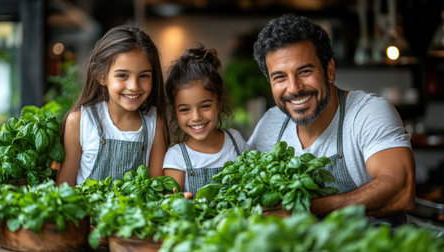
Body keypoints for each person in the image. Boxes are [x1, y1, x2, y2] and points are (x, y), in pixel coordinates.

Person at [248, 14, 415, 226]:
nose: (294, 88)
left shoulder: (367, 112)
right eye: (280, 77)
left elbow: (400, 190)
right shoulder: (271, 124)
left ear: (329, 70)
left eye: (304, 71)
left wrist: (304, 209)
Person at [56, 24, 168, 186]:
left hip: (137, 211)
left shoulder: (154, 123)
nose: (134, 86)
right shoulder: (79, 120)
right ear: (102, 76)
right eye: (122, 75)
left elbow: (156, 189)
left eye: (144, 76)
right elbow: (64, 187)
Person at [163, 43, 250, 198]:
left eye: (205, 106)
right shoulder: (176, 157)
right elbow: (170, 205)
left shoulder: (235, 141)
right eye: (185, 109)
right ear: (175, 113)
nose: (196, 117)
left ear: (219, 104)